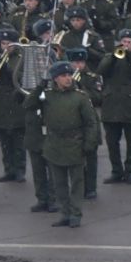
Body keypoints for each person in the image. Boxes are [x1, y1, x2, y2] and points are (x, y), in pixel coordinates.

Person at [39, 59, 100, 227]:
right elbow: (28, 105)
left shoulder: (80, 97)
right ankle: (64, 213)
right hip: (54, 144)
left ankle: (75, 214)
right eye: (63, 76)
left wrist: (89, 143)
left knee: (76, 184)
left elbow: (91, 122)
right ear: (55, 79)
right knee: (59, 184)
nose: (68, 79)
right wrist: (39, 87)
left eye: (69, 75)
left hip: (74, 143)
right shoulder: (48, 96)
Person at [98, 29, 131, 184]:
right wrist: (113, 56)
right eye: (124, 41)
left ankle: (130, 171)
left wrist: (130, 58)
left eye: (130, 42)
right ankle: (116, 170)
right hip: (111, 104)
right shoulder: (110, 57)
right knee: (112, 142)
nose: (126, 45)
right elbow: (101, 71)